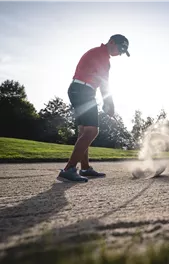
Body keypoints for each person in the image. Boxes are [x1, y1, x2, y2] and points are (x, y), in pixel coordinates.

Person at [57, 34, 130, 183]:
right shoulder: (102, 56)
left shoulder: (98, 53)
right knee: (92, 131)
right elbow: (104, 83)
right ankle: (69, 169)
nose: (120, 53)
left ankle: (85, 167)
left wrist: (107, 103)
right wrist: (109, 104)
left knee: (84, 131)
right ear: (111, 42)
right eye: (120, 48)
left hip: (79, 90)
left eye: (123, 51)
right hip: (83, 90)